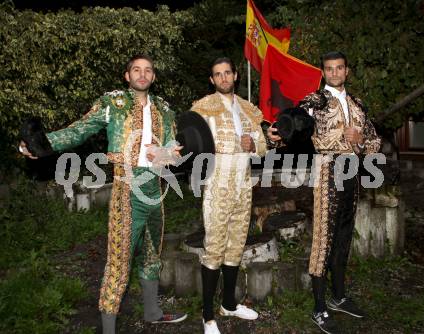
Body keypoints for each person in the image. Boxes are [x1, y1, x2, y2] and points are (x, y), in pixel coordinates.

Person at [19, 54, 187, 334]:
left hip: (155, 190)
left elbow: (173, 150)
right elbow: (80, 129)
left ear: (154, 77)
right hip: (126, 189)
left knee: (151, 254)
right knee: (119, 260)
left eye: (148, 70)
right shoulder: (113, 104)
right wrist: (43, 144)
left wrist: (167, 153)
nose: (142, 74)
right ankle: (108, 329)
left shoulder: (165, 110)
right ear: (127, 76)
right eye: (136, 70)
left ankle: (152, 313)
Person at [268, 51, 381, 334]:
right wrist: (280, 131)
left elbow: (375, 142)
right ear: (324, 72)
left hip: (352, 174)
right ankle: (319, 308)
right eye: (329, 69)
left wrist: (361, 139)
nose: (334, 73)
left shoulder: (357, 104)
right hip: (329, 171)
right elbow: (295, 121)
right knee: (323, 239)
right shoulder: (316, 100)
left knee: (343, 237)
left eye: (339, 68)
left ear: (347, 71)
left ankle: (339, 296)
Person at [190, 57, 267, 334]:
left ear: (235, 75)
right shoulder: (203, 108)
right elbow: (191, 143)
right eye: (217, 75)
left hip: (243, 186)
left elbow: (262, 147)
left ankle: (229, 304)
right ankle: (207, 315)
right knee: (214, 247)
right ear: (212, 80)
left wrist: (253, 142)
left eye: (227, 73)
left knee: (236, 245)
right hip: (217, 185)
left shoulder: (248, 110)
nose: (223, 78)